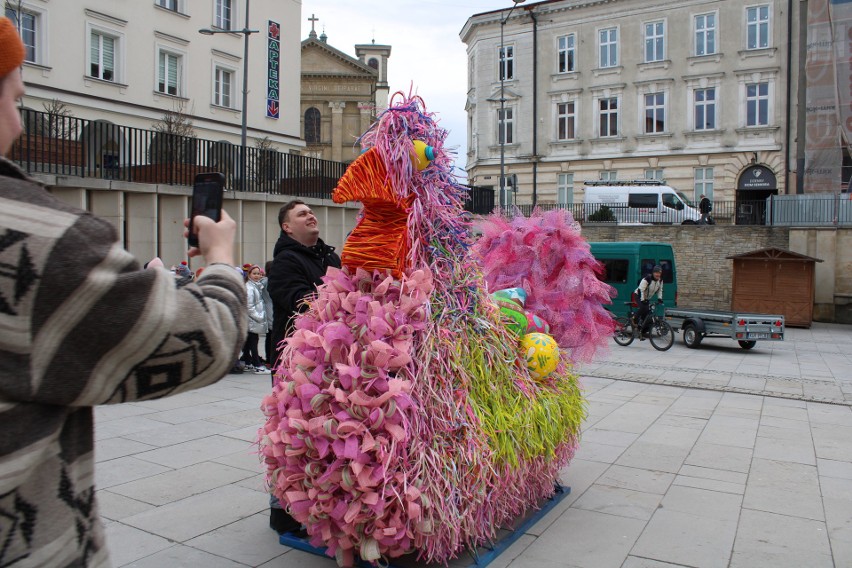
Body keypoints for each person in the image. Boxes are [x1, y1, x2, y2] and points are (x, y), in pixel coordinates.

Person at [0, 17, 247, 567]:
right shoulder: (31, 238)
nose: (19, 125)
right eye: (16, 99)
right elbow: (197, 343)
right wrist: (223, 261)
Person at [266, 199, 341, 534]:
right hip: (294, 363)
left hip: (329, 360)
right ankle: (282, 513)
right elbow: (299, 302)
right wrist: (341, 303)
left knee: (322, 437)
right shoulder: (283, 262)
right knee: (290, 438)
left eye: (311, 212)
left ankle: (321, 510)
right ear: (287, 227)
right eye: (301, 214)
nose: (311, 215)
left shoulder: (331, 257)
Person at [242, 264, 269, 373]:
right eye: (254, 273)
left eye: (259, 273)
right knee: (253, 341)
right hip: (252, 320)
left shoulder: (255, 286)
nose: (257, 276)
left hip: (252, 320)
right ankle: (257, 364)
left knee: (249, 341)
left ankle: (248, 362)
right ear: (249, 274)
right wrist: (260, 317)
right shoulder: (249, 287)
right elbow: (249, 306)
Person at [634, 264, 664, 339]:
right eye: (656, 272)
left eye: (659, 273)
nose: (657, 274)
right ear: (653, 273)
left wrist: (660, 298)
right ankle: (633, 319)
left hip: (646, 297)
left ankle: (641, 330)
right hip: (638, 295)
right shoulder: (647, 279)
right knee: (644, 308)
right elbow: (641, 290)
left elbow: (660, 290)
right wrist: (643, 299)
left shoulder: (660, 281)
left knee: (647, 314)